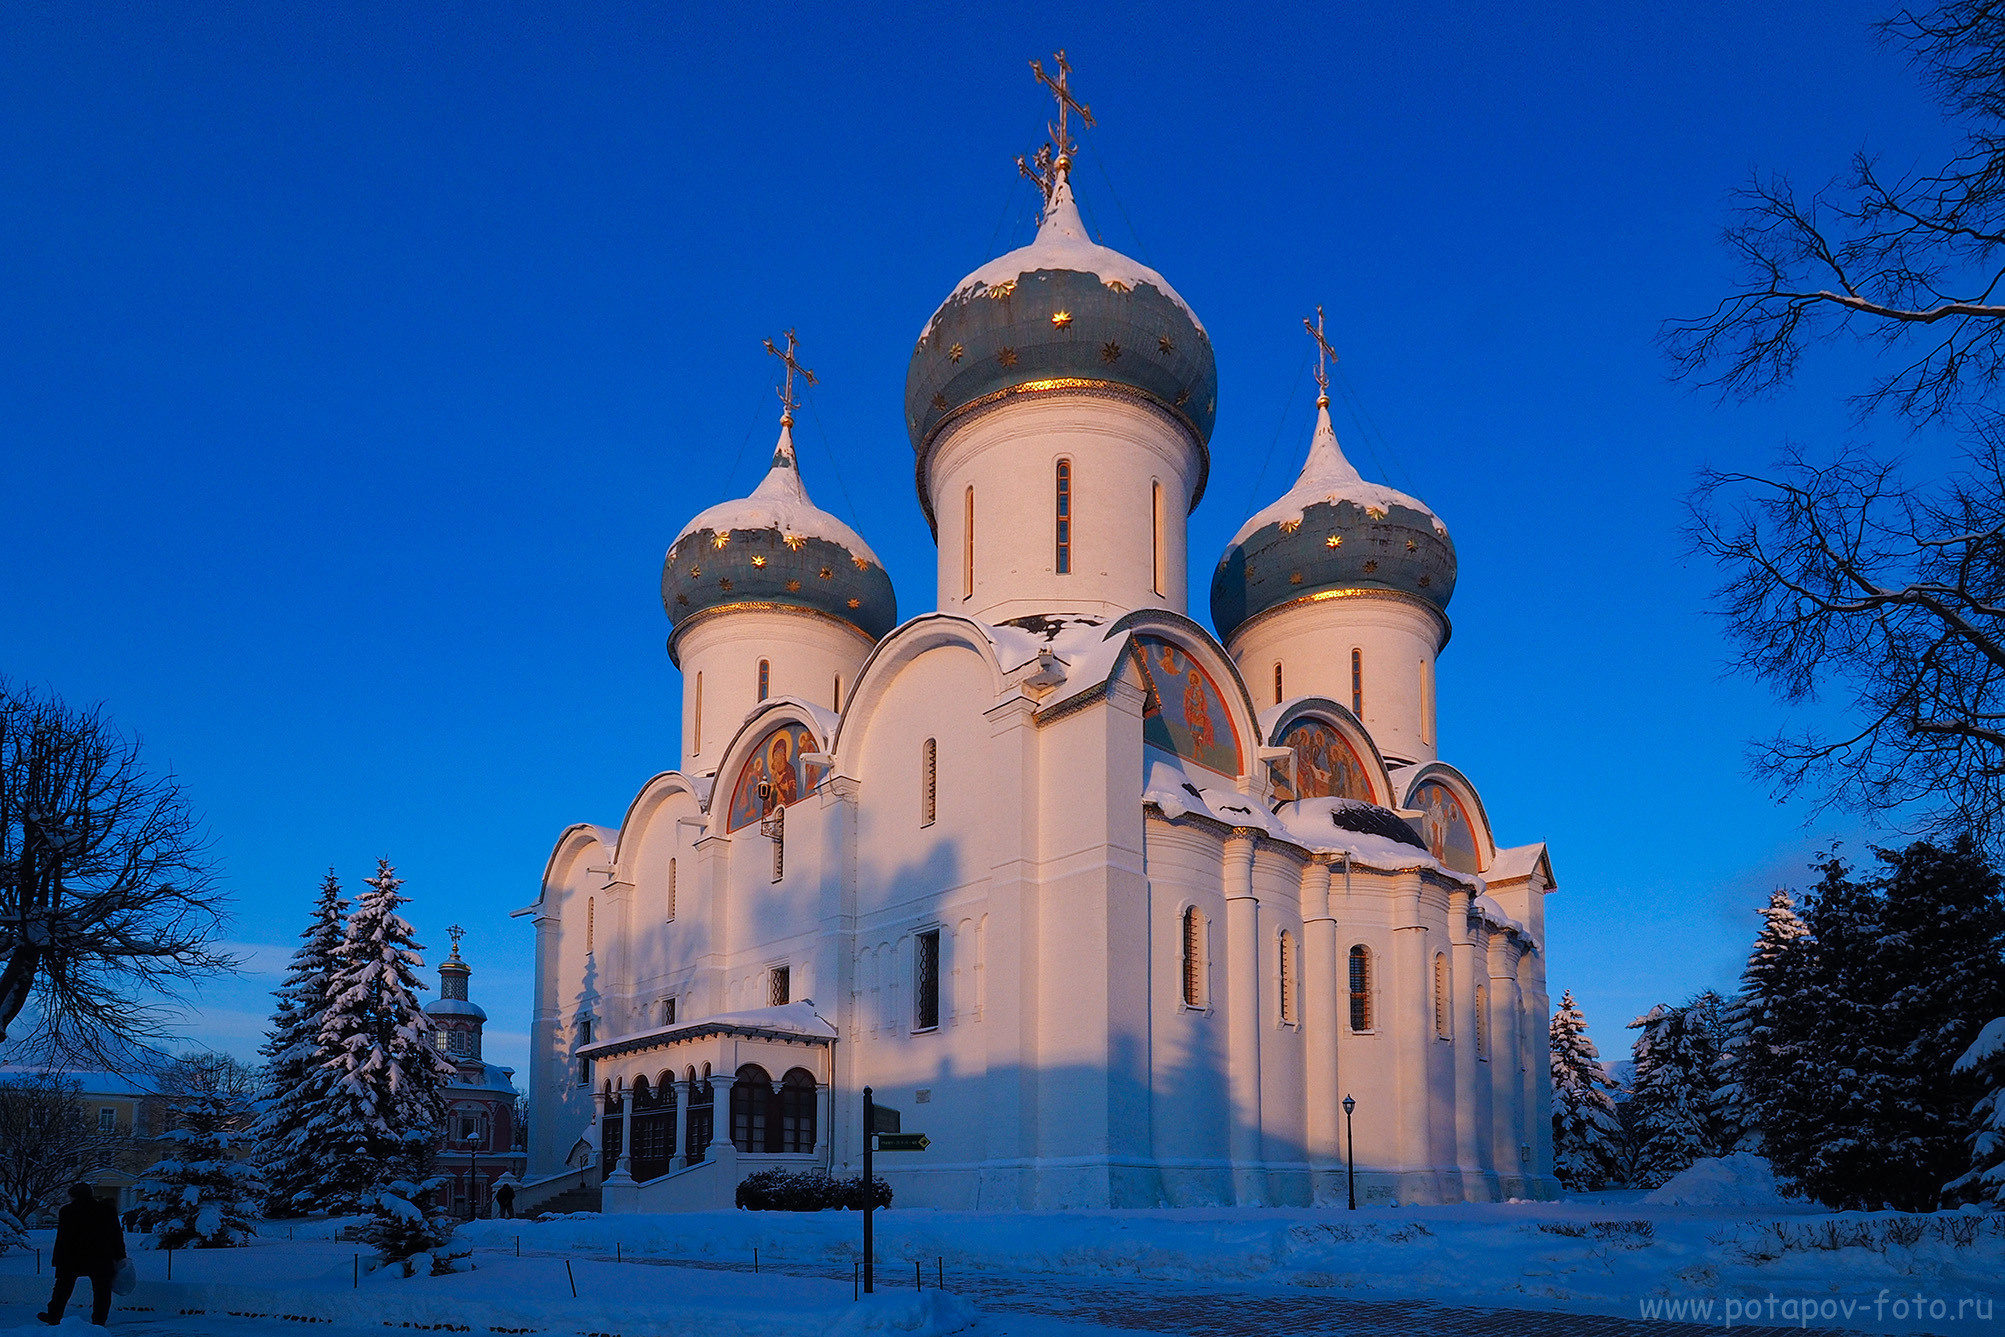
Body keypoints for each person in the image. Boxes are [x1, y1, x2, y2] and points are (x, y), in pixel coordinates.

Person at [39, 1183, 126, 1326]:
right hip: (101, 1256)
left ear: (74, 1195)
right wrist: (120, 1256)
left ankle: (54, 1315)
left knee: (63, 1288)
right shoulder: (107, 1210)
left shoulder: (67, 1211)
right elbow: (116, 1235)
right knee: (102, 1290)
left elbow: (62, 1237)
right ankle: (99, 1320)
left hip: (72, 1257)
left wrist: (58, 1260)